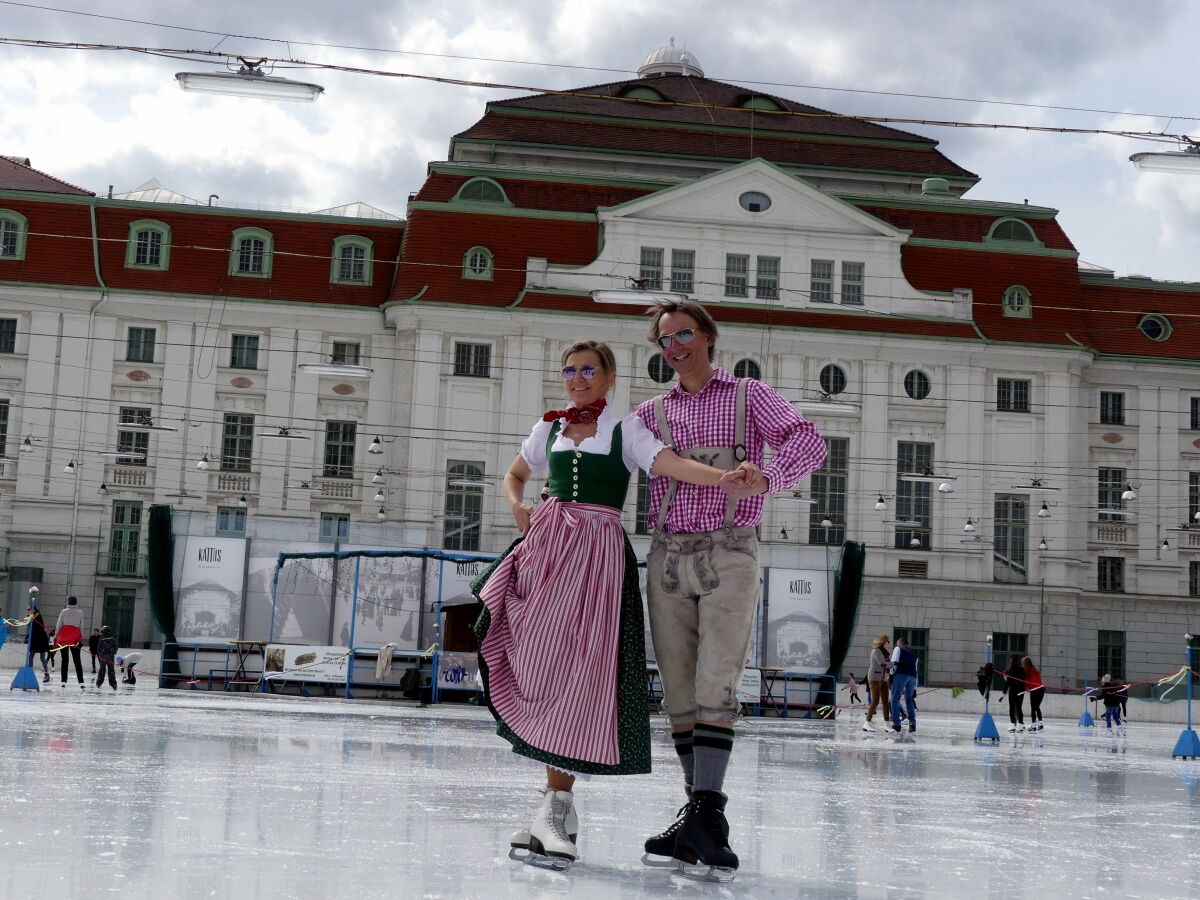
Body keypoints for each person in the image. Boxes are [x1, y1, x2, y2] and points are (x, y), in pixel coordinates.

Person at [472, 339, 747, 872]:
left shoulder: (626, 431)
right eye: (569, 370)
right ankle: (554, 807)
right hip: (548, 551)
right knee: (539, 662)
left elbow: (671, 464)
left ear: (609, 377)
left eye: (588, 370)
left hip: (596, 558)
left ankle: (557, 807)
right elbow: (514, 475)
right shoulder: (548, 428)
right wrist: (517, 506)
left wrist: (723, 477)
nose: (577, 379)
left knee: (579, 672)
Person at [636, 299, 826, 881]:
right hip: (668, 556)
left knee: (716, 682)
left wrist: (768, 476)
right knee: (678, 692)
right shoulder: (649, 413)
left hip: (730, 549)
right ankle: (697, 817)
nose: (674, 347)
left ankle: (706, 815)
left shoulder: (748, 395)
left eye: (683, 335)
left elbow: (809, 440)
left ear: (708, 336)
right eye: (665, 339)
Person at [52, 595, 86, 690]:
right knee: (77, 660)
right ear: (76, 603)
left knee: (64, 659)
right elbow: (81, 626)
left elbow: (59, 624)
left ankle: (63, 681)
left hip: (64, 637)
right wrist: (81, 638)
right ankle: (81, 682)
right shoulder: (80, 612)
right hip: (75, 637)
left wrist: (56, 635)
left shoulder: (64, 611)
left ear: (68, 602)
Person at [889, 637, 918, 734]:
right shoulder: (914, 654)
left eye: (897, 643)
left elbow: (894, 662)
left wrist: (891, 674)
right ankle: (912, 723)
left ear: (899, 643)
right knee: (909, 699)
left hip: (901, 675)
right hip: (912, 677)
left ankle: (897, 724)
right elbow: (916, 669)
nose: (896, 645)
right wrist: (915, 688)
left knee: (894, 699)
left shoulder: (898, 649)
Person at [864, 634, 892, 732]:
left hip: (883, 679)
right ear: (884, 642)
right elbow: (883, 664)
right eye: (888, 642)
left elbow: (887, 665)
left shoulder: (885, 653)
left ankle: (887, 724)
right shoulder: (876, 651)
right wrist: (894, 663)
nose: (888, 644)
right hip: (874, 678)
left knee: (885, 701)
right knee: (875, 700)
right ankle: (867, 723)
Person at [1001, 656, 1027, 732]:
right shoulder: (1022, 669)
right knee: (1019, 707)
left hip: (1013, 690)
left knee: (1012, 707)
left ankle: (1013, 725)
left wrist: (1004, 691)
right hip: (1021, 690)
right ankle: (1020, 725)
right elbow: (1024, 679)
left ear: (1011, 660)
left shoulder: (1011, 668)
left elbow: (1008, 681)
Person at [27, 605, 51, 683]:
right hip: (34, 639)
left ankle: (46, 674)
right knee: (31, 656)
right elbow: (30, 628)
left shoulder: (37, 615)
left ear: (33, 609)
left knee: (42, 657)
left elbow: (37, 627)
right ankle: (30, 673)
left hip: (41, 639)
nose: (28, 611)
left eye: (29, 609)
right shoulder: (30, 616)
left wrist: (31, 618)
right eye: (28, 609)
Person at [1022, 656, 1045, 731]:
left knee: (1033, 707)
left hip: (1035, 689)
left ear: (1025, 663)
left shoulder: (1027, 670)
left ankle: (1034, 725)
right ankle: (1040, 724)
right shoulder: (1034, 669)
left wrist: (1025, 689)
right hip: (1041, 689)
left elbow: (1025, 681)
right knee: (1037, 707)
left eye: (1023, 663)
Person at [95, 626, 118, 691]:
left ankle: (99, 683)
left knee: (102, 670)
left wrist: (100, 654)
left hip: (104, 656)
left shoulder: (102, 639)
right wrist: (113, 653)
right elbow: (116, 647)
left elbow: (98, 648)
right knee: (111, 670)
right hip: (109, 657)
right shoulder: (112, 639)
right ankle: (113, 684)